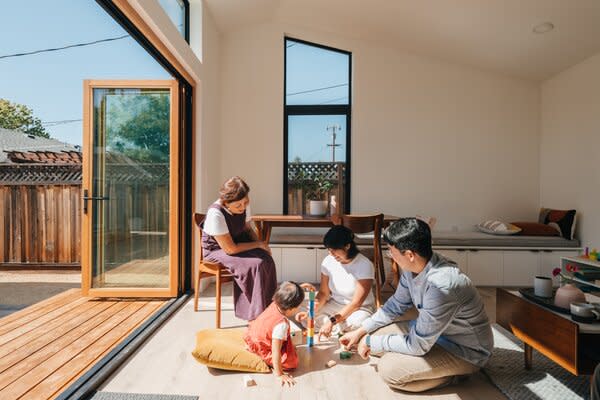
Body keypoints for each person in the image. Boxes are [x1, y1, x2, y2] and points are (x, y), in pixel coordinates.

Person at [340, 217, 494, 392]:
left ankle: (457, 375)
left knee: (389, 370)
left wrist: (371, 342)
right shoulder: (413, 267)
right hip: (435, 334)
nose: (390, 256)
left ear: (410, 255)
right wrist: (361, 331)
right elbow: (395, 306)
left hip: (464, 350)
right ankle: (424, 363)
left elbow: (417, 345)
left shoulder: (441, 286)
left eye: (391, 252)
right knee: (372, 335)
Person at [201, 176, 277, 321]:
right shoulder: (216, 213)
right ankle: (256, 314)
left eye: (245, 202)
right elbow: (230, 249)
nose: (243, 207)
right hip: (217, 250)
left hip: (237, 243)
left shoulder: (243, 203)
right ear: (225, 203)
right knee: (256, 264)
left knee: (266, 259)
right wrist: (259, 245)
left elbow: (248, 229)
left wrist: (263, 246)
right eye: (238, 206)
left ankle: (268, 307)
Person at [297, 225, 375, 338]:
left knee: (358, 322)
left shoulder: (364, 265)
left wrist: (331, 321)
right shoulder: (328, 261)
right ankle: (338, 330)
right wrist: (313, 310)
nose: (331, 254)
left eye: (334, 250)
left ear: (347, 246)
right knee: (302, 309)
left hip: (359, 309)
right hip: (335, 305)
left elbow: (356, 303)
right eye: (328, 249)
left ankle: (331, 327)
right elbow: (324, 293)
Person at [244, 281, 305, 386]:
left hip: (252, 338)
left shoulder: (275, 303)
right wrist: (280, 374)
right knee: (292, 362)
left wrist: (301, 288)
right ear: (291, 308)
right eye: (298, 306)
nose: (299, 308)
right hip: (264, 348)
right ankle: (269, 362)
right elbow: (275, 351)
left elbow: (287, 292)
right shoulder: (281, 325)